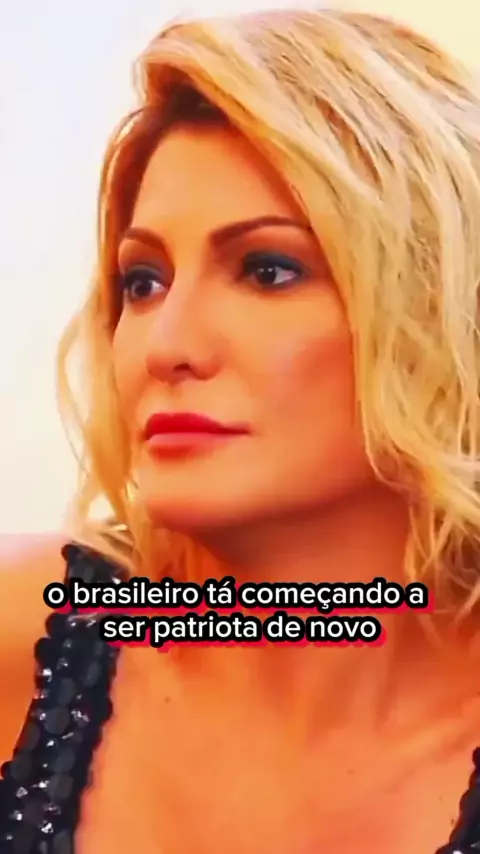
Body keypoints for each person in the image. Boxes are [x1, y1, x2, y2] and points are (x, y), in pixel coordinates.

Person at [0, 4, 479, 852]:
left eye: (268, 270)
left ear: (436, 307)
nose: (167, 345)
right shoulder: (21, 632)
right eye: (143, 281)